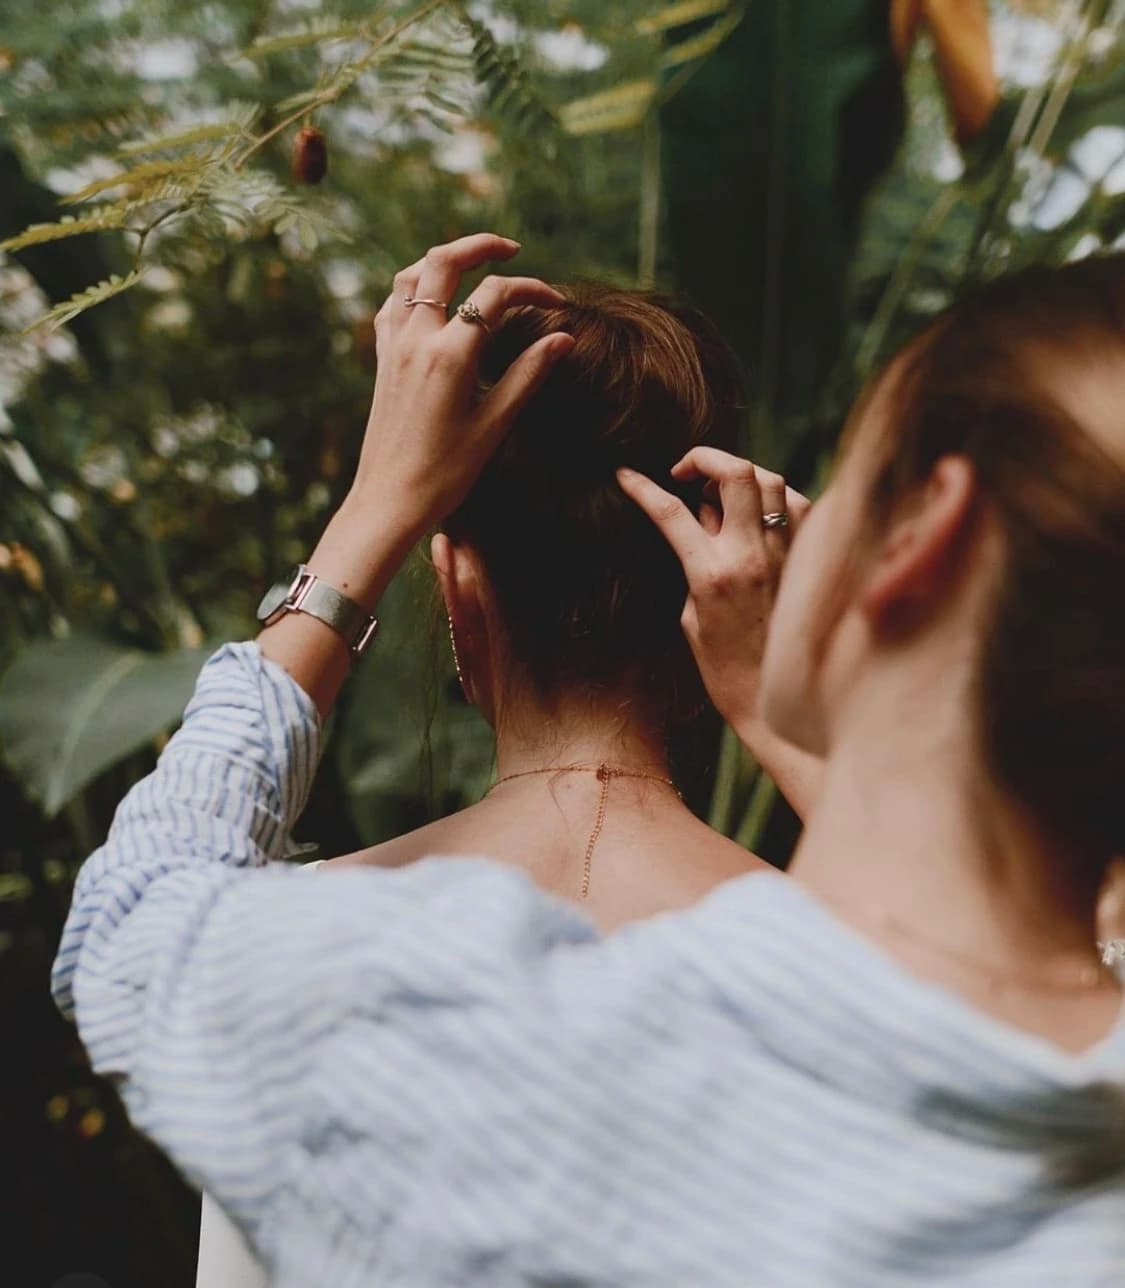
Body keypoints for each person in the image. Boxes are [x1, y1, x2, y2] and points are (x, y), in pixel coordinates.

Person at [54, 235, 1125, 1286]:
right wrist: (788, 715)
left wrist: (370, 516)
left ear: (923, 539)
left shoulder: (375, 1002)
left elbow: (135, 909)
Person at [196, 281, 805, 1285]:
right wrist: (820, 714)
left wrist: (371, 509)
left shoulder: (263, 955)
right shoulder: (902, 977)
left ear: (456, 587)